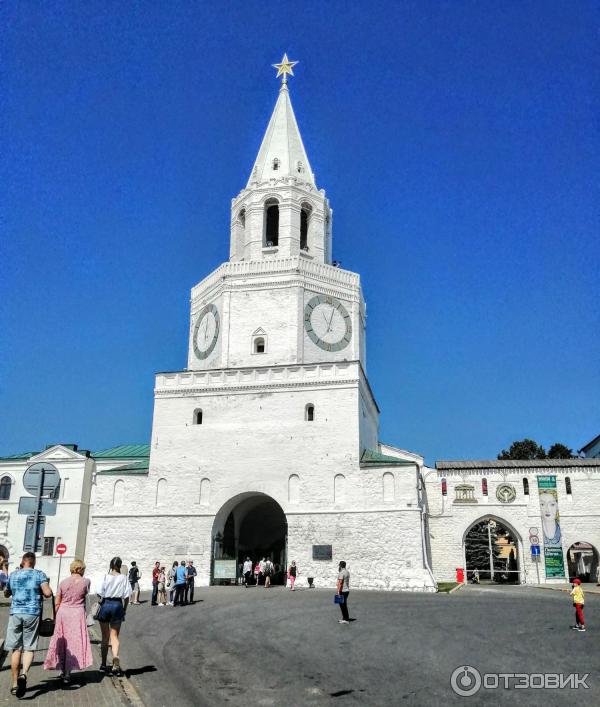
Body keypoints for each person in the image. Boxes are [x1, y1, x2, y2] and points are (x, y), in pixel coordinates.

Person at [4, 552, 53, 697]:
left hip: (16, 613)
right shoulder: (39, 574)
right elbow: (48, 593)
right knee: (29, 647)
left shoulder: (13, 575)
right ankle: (24, 674)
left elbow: (6, 593)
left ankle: (14, 685)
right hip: (32, 613)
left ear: (23, 561)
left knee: (16, 649)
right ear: (34, 562)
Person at [43, 559, 93, 683]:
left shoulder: (63, 582)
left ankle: (63, 669)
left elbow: (57, 602)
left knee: (61, 641)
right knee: (73, 642)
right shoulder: (86, 582)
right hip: (77, 613)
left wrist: (53, 616)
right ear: (81, 569)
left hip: (63, 613)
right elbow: (85, 595)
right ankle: (68, 672)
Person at [97, 556, 131, 675]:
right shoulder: (124, 578)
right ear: (120, 566)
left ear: (111, 565)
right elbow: (127, 597)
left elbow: (99, 593)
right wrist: (124, 609)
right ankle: (115, 657)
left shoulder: (105, 577)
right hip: (117, 605)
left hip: (106, 604)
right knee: (114, 636)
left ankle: (103, 664)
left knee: (105, 636)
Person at [336, 560, 350, 624]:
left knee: (342, 605)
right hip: (346, 590)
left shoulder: (341, 572)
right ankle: (345, 618)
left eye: (339, 565)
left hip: (342, 591)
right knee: (343, 605)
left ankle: (346, 619)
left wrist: (338, 591)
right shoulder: (347, 572)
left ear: (340, 566)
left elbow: (340, 582)